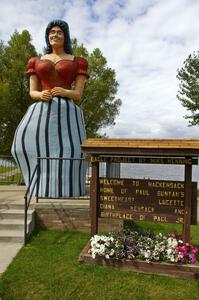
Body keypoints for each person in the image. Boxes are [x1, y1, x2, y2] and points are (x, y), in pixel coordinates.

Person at [11, 20, 89, 198]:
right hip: (41, 109)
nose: (55, 35)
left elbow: (78, 94)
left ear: (65, 36)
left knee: (70, 148)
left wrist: (64, 91)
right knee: (21, 146)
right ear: (48, 36)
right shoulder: (36, 61)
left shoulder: (78, 62)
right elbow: (32, 92)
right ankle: (37, 186)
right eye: (51, 32)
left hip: (67, 111)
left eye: (59, 32)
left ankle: (68, 187)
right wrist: (41, 95)